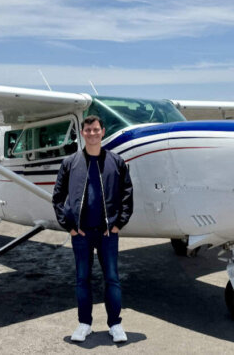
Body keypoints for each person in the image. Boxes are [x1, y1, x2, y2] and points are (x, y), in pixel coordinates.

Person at [52, 115, 134, 343]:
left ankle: (115, 324)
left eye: (96, 129)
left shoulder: (116, 162)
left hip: (107, 233)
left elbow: (127, 194)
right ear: (82, 133)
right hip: (81, 234)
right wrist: (69, 227)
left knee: (112, 279)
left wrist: (118, 224)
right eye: (87, 130)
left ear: (102, 132)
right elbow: (58, 197)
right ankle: (84, 323)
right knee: (82, 279)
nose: (92, 133)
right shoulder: (70, 163)